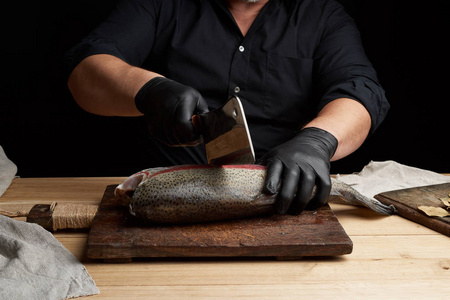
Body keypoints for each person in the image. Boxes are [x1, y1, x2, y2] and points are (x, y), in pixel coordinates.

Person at [64, 0, 389, 215]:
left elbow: (361, 91)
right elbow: (86, 70)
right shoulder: (160, 4)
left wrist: (317, 141)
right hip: (165, 203)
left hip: (289, 203)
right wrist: (149, 90)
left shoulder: (322, 14)